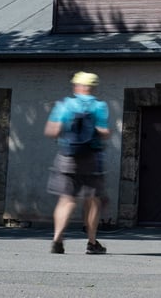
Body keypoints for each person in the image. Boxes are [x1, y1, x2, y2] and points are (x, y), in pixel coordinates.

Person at [45, 71, 110, 255]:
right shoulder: (99, 106)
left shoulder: (64, 105)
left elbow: (52, 130)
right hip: (91, 159)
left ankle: (58, 239)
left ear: (76, 86)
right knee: (93, 200)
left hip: (66, 157)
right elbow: (104, 132)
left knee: (66, 199)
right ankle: (91, 242)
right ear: (92, 87)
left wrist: (66, 133)